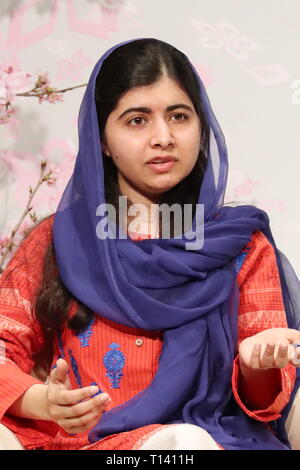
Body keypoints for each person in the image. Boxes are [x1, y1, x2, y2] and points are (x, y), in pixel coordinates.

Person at [0, 37, 300, 451]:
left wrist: (256, 366)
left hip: (197, 440)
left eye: (178, 116)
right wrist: (44, 402)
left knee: (185, 442)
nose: (163, 137)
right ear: (101, 139)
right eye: (137, 120)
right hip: (74, 443)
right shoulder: (57, 240)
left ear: (201, 125)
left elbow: (264, 402)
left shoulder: (240, 245)